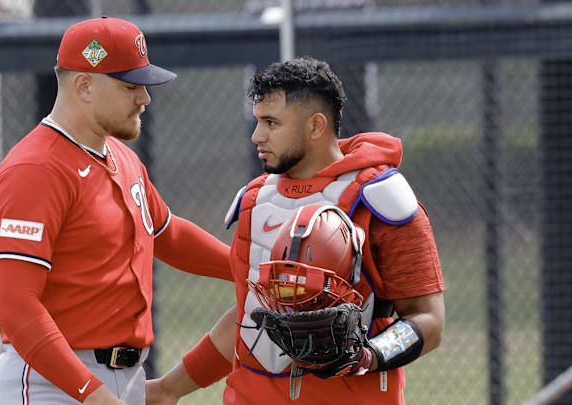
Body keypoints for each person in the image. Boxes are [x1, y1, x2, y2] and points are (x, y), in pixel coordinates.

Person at [145, 56, 445, 404]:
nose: (257, 135)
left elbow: (429, 320)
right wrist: (169, 389)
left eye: (272, 123)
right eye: (258, 121)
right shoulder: (255, 201)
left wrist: (369, 355)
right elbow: (248, 319)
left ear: (316, 126)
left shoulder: (381, 200)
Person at [0, 17, 233, 405]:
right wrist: (92, 394)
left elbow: (168, 234)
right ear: (84, 85)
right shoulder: (35, 171)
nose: (145, 98)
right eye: (130, 86)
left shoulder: (119, 155)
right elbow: (17, 308)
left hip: (125, 380)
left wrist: (247, 269)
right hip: (54, 385)